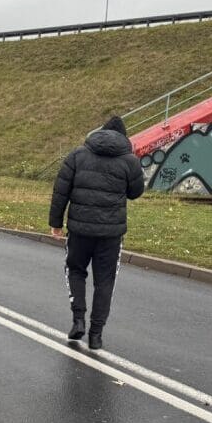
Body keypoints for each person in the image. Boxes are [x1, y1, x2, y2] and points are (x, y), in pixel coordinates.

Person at [48, 115, 144, 349]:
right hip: (111, 234)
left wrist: (56, 222)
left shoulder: (77, 155)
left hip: (79, 229)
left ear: (100, 132)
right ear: (124, 137)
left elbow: (61, 190)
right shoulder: (129, 161)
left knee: (75, 270)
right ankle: (96, 334)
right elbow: (135, 192)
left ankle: (78, 319)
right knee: (105, 281)